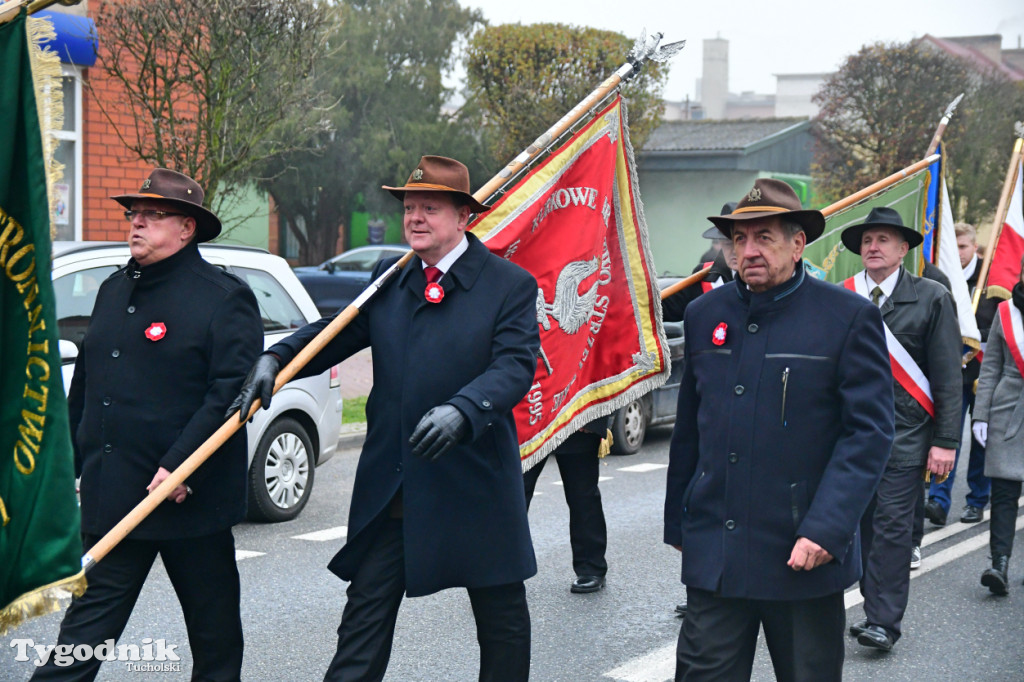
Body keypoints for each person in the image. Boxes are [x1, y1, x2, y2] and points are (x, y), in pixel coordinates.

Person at [230, 156, 541, 682]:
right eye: (410, 207)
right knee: (363, 622)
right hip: (396, 485)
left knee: (502, 620)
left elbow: (515, 366)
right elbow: (338, 332)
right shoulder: (391, 277)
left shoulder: (507, 284)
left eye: (431, 208)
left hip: (473, 485)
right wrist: (277, 358)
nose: (415, 217)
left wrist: (465, 410)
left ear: (464, 216)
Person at [34, 169, 263, 681]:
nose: (135, 223)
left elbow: (229, 395)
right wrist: (66, 467)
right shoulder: (113, 289)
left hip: (189, 502)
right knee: (80, 642)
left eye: (152, 215)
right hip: (116, 501)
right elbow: (89, 388)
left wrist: (183, 467)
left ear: (186, 228)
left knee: (215, 641)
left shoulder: (223, 297)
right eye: (133, 214)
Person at [665, 179, 894, 681]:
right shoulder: (706, 315)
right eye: (737, 240)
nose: (747, 251)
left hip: (801, 552)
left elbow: (869, 433)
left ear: (797, 244)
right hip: (717, 555)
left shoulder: (847, 317)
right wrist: (680, 519)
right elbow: (690, 429)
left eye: (763, 237)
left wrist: (826, 528)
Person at [839, 206, 961, 652]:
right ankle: (851, 606)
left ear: (903, 249)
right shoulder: (842, 295)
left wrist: (946, 440)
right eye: (867, 241)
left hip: (905, 435)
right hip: (849, 437)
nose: (873, 247)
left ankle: (882, 622)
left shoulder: (931, 297)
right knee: (853, 526)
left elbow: (948, 375)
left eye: (884, 240)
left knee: (891, 529)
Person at [925, 222, 997, 526]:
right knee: (946, 437)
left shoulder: (993, 279)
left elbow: (1004, 325)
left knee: (982, 440)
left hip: (984, 375)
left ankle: (977, 500)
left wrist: (970, 334)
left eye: (963, 247)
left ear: (975, 247)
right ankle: (939, 501)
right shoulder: (941, 278)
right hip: (952, 374)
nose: (958, 253)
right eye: (952, 249)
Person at [972, 256, 1024, 595]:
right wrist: (980, 415)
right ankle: (999, 564)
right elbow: (989, 369)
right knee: (1004, 493)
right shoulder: (1006, 312)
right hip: (1009, 407)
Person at [523, 417, 610, 594]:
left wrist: (593, 418)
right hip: (530, 417)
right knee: (514, 497)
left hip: (576, 418)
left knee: (583, 496)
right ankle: (503, 571)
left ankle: (591, 567)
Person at [662, 202, 738, 323]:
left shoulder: (768, 278)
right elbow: (667, 309)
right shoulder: (704, 277)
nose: (734, 250)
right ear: (720, 243)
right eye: (728, 242)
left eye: (740, 241)